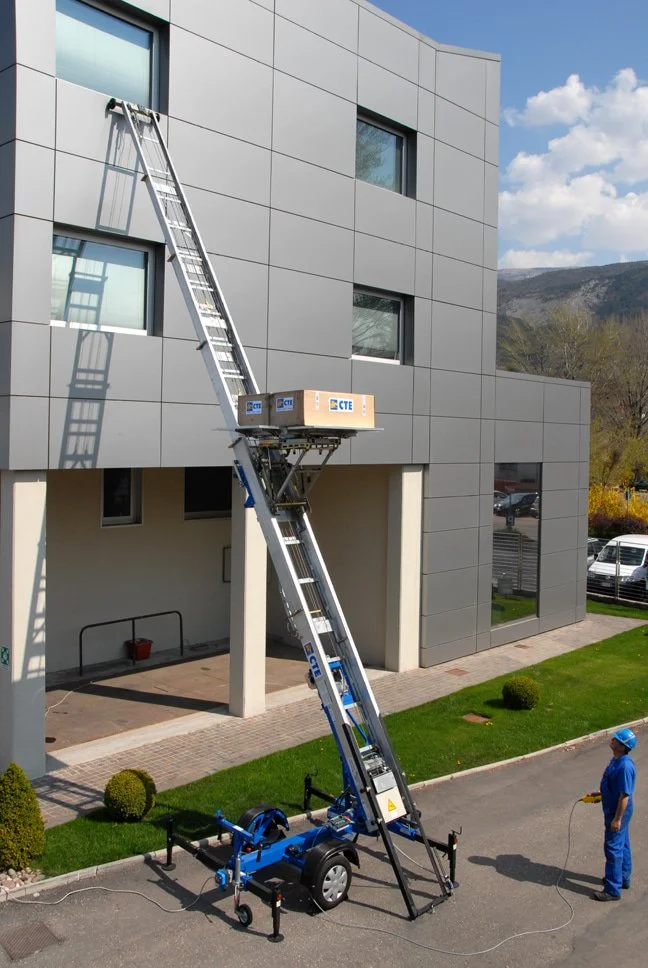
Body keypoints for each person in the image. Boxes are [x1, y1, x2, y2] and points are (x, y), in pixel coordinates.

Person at [586, 727, 637, 901]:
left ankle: (612, 889)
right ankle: (622, 878)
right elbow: (613, 787)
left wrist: (617, 819)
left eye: (616, 740)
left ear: (622, 747)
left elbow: (624, 796)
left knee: (613, 848)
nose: (613, 740)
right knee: (622, 844)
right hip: (615, 809)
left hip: (618, 812)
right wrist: (600, 794)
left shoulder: (624, 767)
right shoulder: (616, 759)